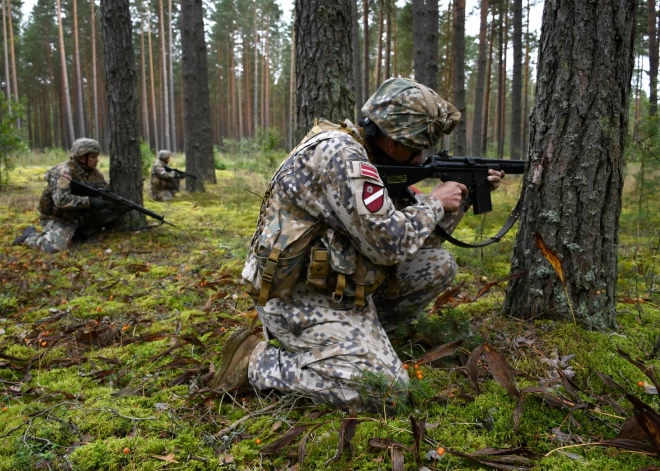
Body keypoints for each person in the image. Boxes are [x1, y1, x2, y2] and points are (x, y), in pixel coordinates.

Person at [213, 78, 505, 411]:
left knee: (438, 264)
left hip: (343, 286)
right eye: (417, 147)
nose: (420, 157)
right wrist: (435, 202)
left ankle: (361, 343)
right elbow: (389, 246)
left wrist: (463, 196)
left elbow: (418, 242)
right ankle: (256, 362)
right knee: (385, 391)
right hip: (296, 296)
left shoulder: (368, 156)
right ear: (395, 142)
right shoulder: (343, 156)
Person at [12, 138, 122, 254]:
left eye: (97, 157)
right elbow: (61, 200)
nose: (97, 160)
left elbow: (104, 190)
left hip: (80, 217)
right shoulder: (63, 172)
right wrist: (90, 201)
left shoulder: (95, 174)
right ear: (82, 157)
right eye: (93, 157)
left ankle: (78, 234)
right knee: (54, 249)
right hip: (58, 219)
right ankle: (30, 236)